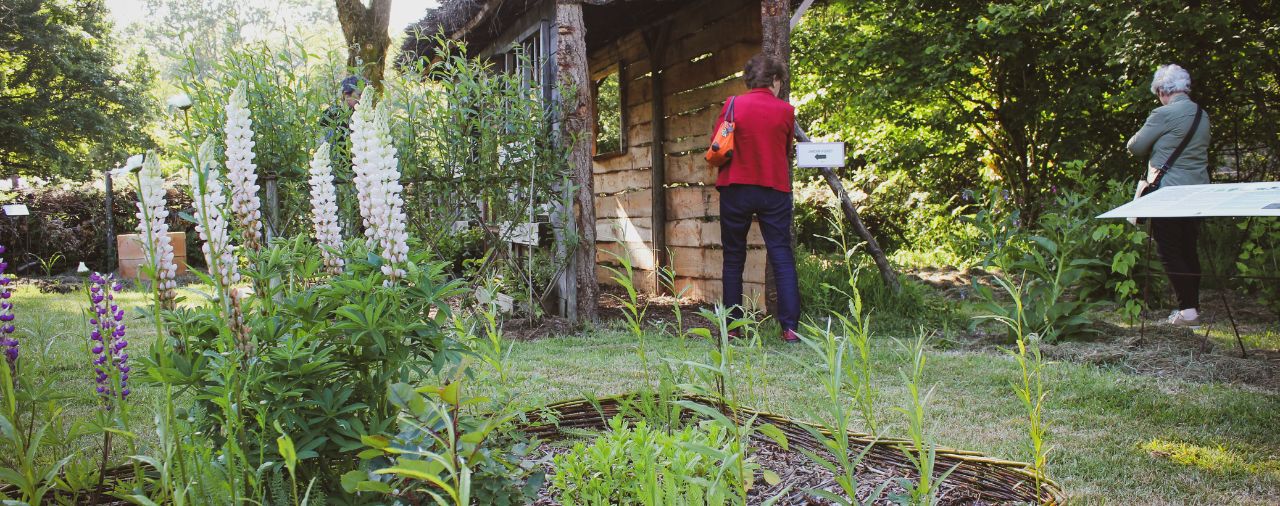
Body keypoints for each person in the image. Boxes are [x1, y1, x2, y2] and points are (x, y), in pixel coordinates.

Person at [712, 54, 801, 343]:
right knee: (781, 256)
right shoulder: (786, 111)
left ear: (749, 80)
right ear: (775, 80)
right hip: (773, 189)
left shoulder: (733, 105)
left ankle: (733, 326)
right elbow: (786, 152)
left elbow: (718, 145)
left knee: (734, 257)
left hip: (736, 187)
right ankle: (789, 329)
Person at [1126, 64, 1211, 327]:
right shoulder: (1201, 114)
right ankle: (1191, 309)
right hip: (1197, 192)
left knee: (1170, 251)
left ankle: (1187, 313)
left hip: (1169, 193)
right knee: (1188, 249)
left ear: (1163, 90)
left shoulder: (1163, 114)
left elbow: (1136, 146)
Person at [321, 76, 363, 148]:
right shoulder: (329, 114)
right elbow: (320, 140)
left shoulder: (362, 115)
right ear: (346, 95)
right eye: (359, 95)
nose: (362, 99)